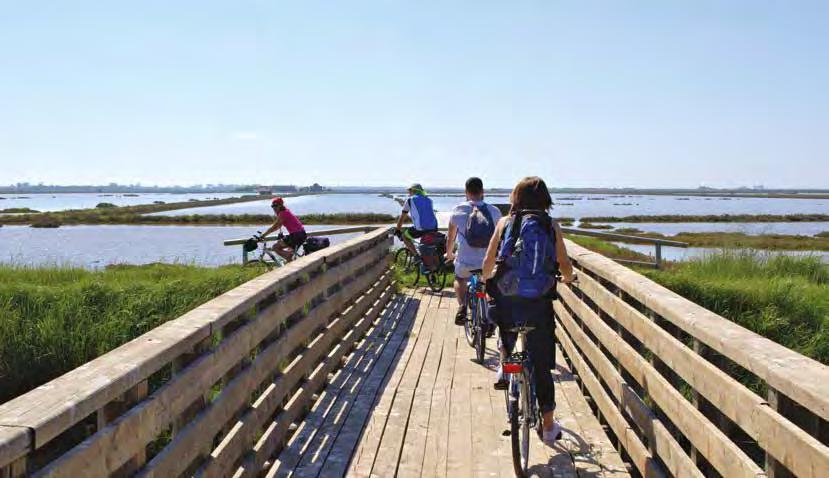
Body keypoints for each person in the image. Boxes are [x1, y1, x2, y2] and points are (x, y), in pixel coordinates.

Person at [482, 176, 576, 446]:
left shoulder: (505, 223)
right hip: (539, 303)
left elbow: (489, 262)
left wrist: (487, 279)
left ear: (516, 198)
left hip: (508, 302)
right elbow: (564, 263)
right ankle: (548, 428)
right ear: (545, 198)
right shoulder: (550, 225)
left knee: (506, 327)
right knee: (542, 364)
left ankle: (507, 367)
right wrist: (568, 279)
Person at [445, 177, 502, 326]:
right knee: (487, 283)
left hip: (465, 261)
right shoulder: (494, 211)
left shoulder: (458, 210)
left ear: (466, 192)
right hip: (488, 262)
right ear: (482, 192)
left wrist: (450, 254)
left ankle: (462, 306)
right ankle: (489, 312)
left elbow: (451, 238)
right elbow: (502, 238)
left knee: (459, 278)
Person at [395, 183, 438, 256]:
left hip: (421, 229)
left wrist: (398, 230)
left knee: (405, 236)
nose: (408, 193)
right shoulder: (429, 200)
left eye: (409, 191)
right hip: (434, 228)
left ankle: (416, 256)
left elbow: (402, 217)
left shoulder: (410, 200)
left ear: (413, 191)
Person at [261, 197, 307, 261]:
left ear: (281, 205)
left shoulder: (283, 213)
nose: (274, 207)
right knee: (289, 257)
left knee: (275, 247)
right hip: (301, 235)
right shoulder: (285, 212)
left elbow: (275, 227)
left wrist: (263, 235)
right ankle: (292, 266)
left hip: (296, 236)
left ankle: (294, 261)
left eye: (276, 205)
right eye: (272, 206)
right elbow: (278, 226)